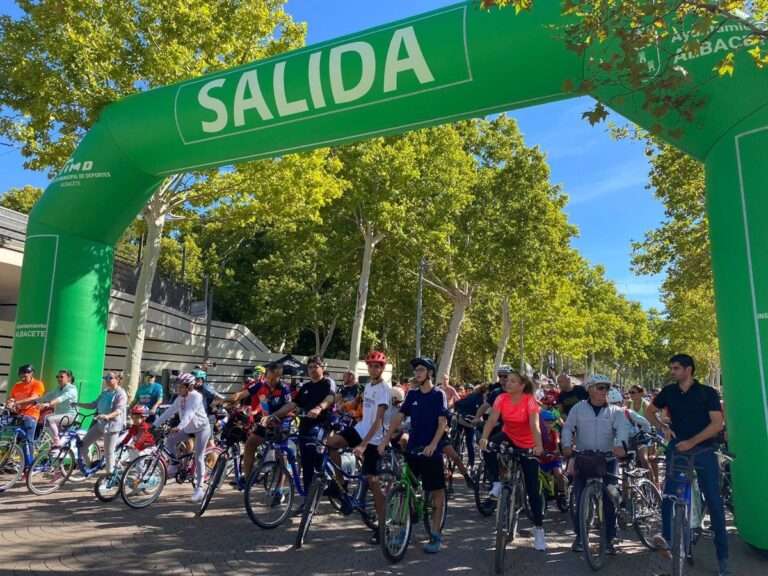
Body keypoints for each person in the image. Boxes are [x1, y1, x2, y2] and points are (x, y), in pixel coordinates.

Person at [645, 354, 729, 576]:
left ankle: (723, 561)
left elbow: (717, 424)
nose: (672, 372)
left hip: (704, 451)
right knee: (668, 496)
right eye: (671, 368)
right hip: (677, 451)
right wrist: (662, 427)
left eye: (676, 368)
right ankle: (666, 540)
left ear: (688, 369)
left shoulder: (707, 393)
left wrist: (691, 441)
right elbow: (649, 411)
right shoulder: (669, 392)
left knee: (714, 500)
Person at [380, 357, 448, 554]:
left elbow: (442, 422)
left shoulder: (438, 395)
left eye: (420, 370)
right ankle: (403, 527)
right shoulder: (411, 395)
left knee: (436, 493)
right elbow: (398, 417)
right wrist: (385, 440)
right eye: (416, 370)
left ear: (429, 373)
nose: (417, 373)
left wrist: (433, 445)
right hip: (413, 448)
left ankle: (435, 534)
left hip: (431, 450)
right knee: (405, 487)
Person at [326, 351, 391, 544]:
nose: (373, 368)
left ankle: (382, 526)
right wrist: (341, 407)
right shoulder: (368, 386)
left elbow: (378, 421)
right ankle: (341, 484)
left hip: (374, 438)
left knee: (373, 482)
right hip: (360, 429)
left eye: (377, 366)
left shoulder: (384, 390)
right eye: (371, 365)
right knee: (331, 443)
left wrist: (363, 445)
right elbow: (355, 404)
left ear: (382, 368)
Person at [561, 374, 630, 555]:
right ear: (589, 389)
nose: (604, 391)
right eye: (600, 387)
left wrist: (620, 445)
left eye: (607, 388)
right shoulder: (578, 408)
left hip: (607, 459)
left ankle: (609, 539)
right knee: (578, 498)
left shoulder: (615, 411)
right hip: (584, 459)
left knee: (610, 498)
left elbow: (623, 429)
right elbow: (568, 427)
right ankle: (579, 537)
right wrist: (566, 445)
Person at [479, 370, 547, 551]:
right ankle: (497, 483)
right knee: (489, 448)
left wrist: (538, 446)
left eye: (513, 381)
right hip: (508, 436)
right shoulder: (501, 398)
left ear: (522, 386)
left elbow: (535, 425)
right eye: (507, 381)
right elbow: (492, 420)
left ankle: (539, 530)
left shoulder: (529, 400)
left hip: (528, 443)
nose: (508, 383)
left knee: (533, 489)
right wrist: (484, 438)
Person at [280, 356, 336, 498]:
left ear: (323, 367)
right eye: (309, 367)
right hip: (305, 425)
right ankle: (308, 498)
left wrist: (319, 408)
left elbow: (330, 398)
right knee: (306, 461)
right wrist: (275, 415)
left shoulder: (328, 382)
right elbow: (294, 404)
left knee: (313, 456)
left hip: (322, 424)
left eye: (315, 366)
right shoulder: (305, 387)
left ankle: (331, 482)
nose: (312, 370)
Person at [229, 362, 292, 481]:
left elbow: (289, 406)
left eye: (274, 378)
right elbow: (242, 394)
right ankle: (248, 479)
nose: (271, 381)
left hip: (282, 423)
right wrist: (226, 400)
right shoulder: (260, 385)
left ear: (279, 376)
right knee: (250, 444)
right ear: (266, 374)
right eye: (269, 377)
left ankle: (279, 489)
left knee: (280, 454)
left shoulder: (284, 389)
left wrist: (274, 417)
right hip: (266, 422)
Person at [154, 373, 212, 502]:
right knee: (169, 440)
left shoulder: (197, 396)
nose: (178, 389)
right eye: (177, 386)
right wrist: (154, 425)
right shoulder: (180, 398)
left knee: (198, 456)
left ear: (189, 387)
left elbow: (189, 414)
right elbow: (170, 411)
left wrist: (179, 427)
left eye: (181, 386)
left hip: (201, 429)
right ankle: (174, 464)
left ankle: (199, 489)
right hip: (187, 428)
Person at [75, 371, 128, 477]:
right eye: (106, 378)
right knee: (82, 445)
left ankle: (110, 476)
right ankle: (90, 465)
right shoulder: (105, 392)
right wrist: (78, 404)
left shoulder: (121, 394)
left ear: (117, 380)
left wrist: (107, 416)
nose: (107, 380)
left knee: (109, 452)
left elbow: (119, 410)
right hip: (100, 424)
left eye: (110, 378)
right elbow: (94, 404)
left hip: (112, 426)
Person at [6, 364, 46, 455]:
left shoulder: (37, 384)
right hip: (17, 414)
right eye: (20, 375)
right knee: (12, 437)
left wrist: (16, 403)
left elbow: (34, 398)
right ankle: (14, 460)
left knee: (28, 440)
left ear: (31, 373)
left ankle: (29, 464)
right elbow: (11, 397)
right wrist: (10, 402)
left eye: (25, 375)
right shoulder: (17, 385)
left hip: (31, 414)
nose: (22, 377)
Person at [39, 369, 79, 446]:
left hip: (70, 416)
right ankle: (54, 444)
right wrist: (34, 401)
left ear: (69, 378)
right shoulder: (58, 388)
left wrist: (49, 404)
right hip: (60, 416)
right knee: (44, 420)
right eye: (57, 377)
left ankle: (56, 440)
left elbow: (61, 398)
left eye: (61, 377)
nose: (59, 379)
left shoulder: (72, 389)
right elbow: (47, 396)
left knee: (50, 419)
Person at [453, 383, 487, 469]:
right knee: (470, 442)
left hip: (462, 417)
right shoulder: (481, 399)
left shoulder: (472, 396)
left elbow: (458, 403)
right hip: (470, 421)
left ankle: (453, 456)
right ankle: (471, 464)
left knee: (457, 437)